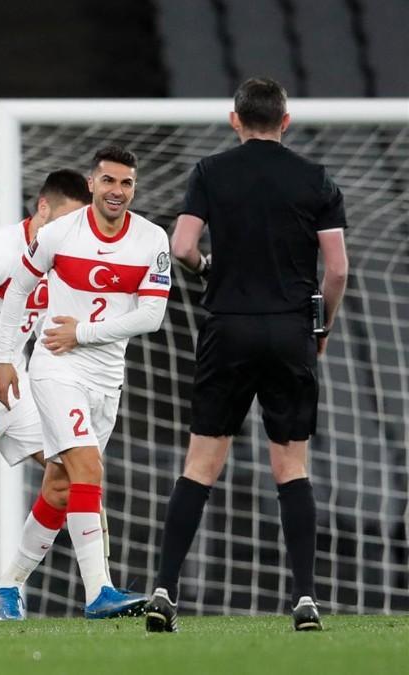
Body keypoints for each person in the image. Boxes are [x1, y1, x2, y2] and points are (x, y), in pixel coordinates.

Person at [144, 78, 348, 634]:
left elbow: (182, 246)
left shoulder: (211, 172)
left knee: (201, 464)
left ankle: (164, 591)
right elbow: (337, 269)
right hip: (288, 331)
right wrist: (320, 325)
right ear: (286, 121)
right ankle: (305, 599)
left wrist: (209, 269)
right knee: (291, 466)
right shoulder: (315, 179)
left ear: (235, 120)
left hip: (227, 327)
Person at [0, 146, 171, 620]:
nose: (117, 191)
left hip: (107, 377)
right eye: (108, 181)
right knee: (88, 468)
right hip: (55, 369)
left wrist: (83, 333)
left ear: (135, 187)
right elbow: (19, 289)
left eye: (126, 183)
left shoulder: (152, 239)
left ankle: (8, 586)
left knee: (59, 486)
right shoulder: (57, 234)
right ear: (91, 184)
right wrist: (5, 357)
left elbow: (152, 316)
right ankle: (99, 592)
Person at [0, 169, 91, 620]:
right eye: (64, 221)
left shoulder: (64, 259)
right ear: (42, 208)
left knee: (76, 475)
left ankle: (14, 587)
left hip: (16, 392)